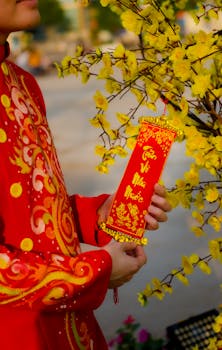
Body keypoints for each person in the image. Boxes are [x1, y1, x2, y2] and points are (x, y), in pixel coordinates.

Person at [0, 1, 172, 349]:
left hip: (66, 331)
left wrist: (99, 213)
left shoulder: (22, 83)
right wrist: (93, 272)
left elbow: (28, 208)